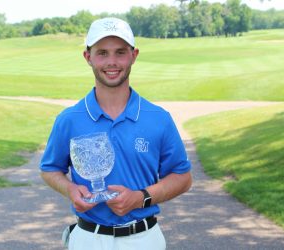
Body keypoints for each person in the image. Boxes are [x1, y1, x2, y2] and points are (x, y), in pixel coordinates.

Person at [40, 17, 192, 250]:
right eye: (102, 53)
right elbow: (50, 169)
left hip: (144, 238)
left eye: (120, 52)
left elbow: (182, 177)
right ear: (88, 57)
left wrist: (141, 197)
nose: (112, 62)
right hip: (88, 238)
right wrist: (70, 189)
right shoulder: (70, 119)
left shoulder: (158, 117)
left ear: (134, 55)